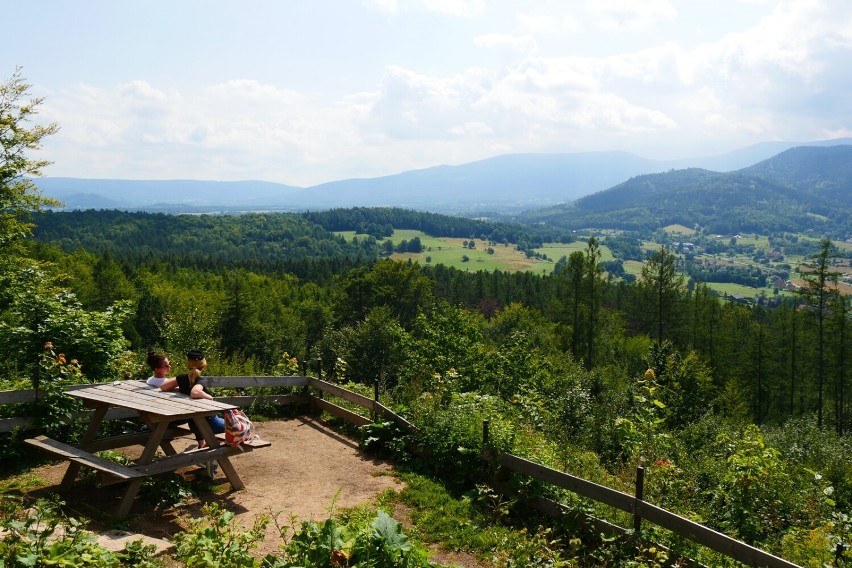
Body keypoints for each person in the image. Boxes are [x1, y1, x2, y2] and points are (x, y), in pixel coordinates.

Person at [160, 349, 225, 450]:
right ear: (203, 366)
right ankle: (205, 453)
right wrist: (210, 398)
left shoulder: (182, 378)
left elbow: (163, 387)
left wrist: (180, 389)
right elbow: (195, 392)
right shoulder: (199, 380)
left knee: (201, 423)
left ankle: (202, 447)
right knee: (237, 427)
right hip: (209, 422)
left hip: (193, 424)